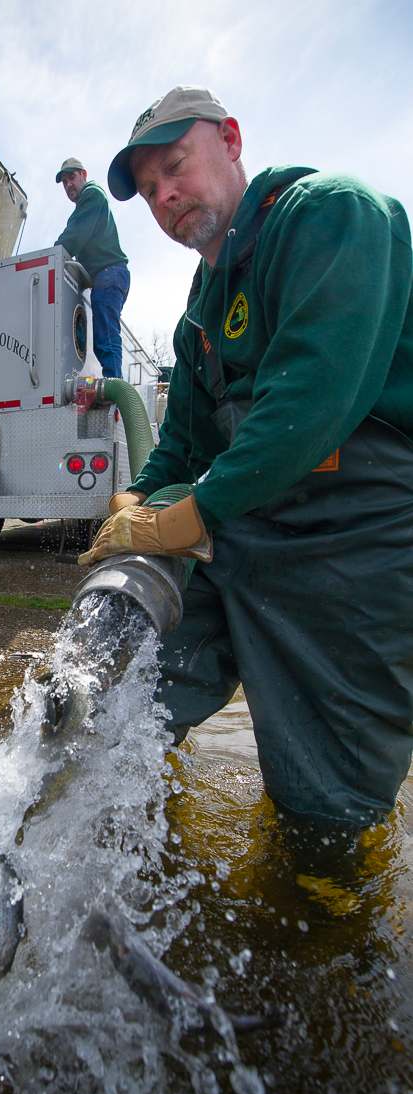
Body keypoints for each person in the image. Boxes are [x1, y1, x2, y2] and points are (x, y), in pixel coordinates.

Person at [79, 85, 413, 826]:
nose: (165, 195)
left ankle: (322, 911)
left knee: (324, 804)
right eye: (150, 190)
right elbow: (185, 443)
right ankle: (105, 826)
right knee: (118, 693)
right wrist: (138, 498)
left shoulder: (331, 216)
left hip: (352, 537)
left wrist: (192, 509)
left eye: (175, 165)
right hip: (244, 524)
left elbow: (310, 401)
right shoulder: (199, 310)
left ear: (229, 140)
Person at [54, 158, 130, 378]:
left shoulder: (92, 194)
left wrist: (52, 256)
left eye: (72, 177)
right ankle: (115, 391)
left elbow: (73, 236)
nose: (68, 185)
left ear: (84, 174)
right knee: (105, 340)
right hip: (110, 275)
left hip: (108, 273)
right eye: (64, 182)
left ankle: (116, 397)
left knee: (106, 340)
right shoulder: (88, 203)